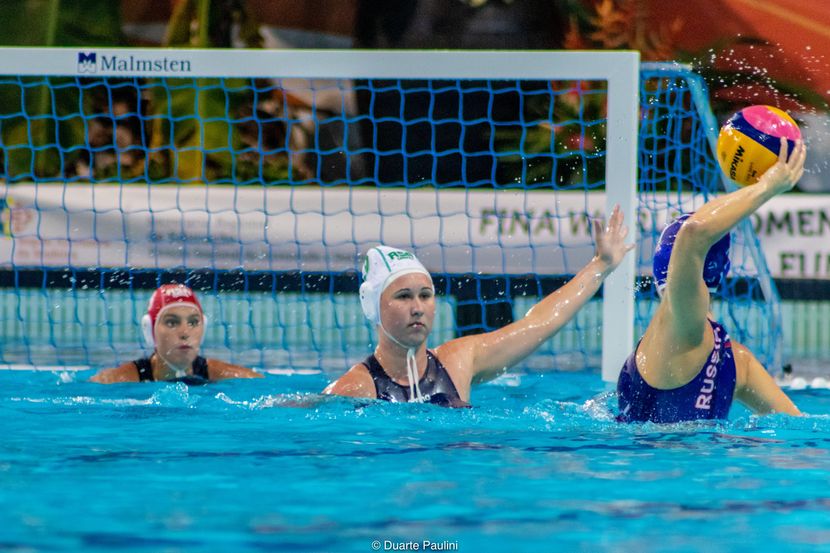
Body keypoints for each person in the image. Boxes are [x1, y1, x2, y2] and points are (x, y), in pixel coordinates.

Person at [324, 205, 634, 406]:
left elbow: (538, 324)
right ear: (373, 306)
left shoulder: (459, 362)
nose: (417, 307)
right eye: (403, 296)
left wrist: (601, 266)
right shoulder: (355, 388)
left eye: (426, 295)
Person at [617, 137, 805, 423]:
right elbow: (799, 427)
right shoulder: (736, 359)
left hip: (653, 463)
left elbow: (692, 233)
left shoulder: (681, 328)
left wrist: (767, 187)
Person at [91, 284, 263, 384]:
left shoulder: (231, 376)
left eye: (193, 322)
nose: (185, 333)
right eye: (172, 322)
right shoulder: (116, 380)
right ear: (150, 330)